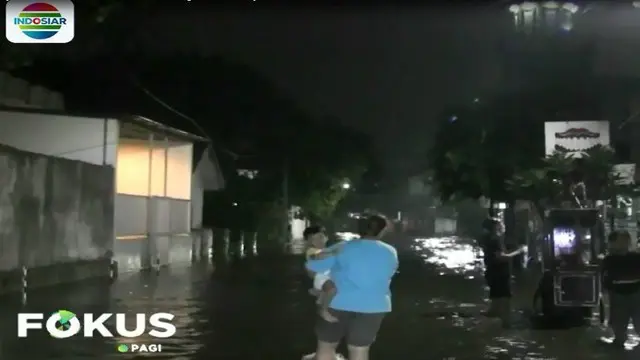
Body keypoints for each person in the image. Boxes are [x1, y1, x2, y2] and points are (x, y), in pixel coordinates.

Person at [305, 214, 398, 360]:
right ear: (382, 231)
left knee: (326, 348)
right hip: (373, 306)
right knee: (359, 351)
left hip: (337, 303)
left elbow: (312, 268)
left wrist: (322, 281)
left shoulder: (342, 247)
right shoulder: (390, 252)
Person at [480, 217, 525, 327]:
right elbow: (501, 257)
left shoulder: (487, 239)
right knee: (505, 297)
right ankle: (506, 322)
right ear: (495, 227)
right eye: (499, 224)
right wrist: (518, 252)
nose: (502, 226)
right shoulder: (494, 240)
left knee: (496, 294)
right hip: (500, 272)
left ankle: (494, 312)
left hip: (492, 271)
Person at [601, 230, 640, 348]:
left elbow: (606, 277)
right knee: (619, 319)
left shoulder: (635, 257)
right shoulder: (609, 259)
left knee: (635, 318)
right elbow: (605, 277)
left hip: (634, 293)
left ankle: (619, 340)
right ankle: (619, 339)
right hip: (619, 293)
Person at [304, 225, 340, 323]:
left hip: (327, 275)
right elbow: (318, 256)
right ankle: (324, 310)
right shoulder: (311, 251)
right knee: (332, 289)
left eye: (320, 237)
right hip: (321, 277)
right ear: (308, 242)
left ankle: (320, 296)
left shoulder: (327, 250)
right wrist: (334, 252)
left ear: (326, 238)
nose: (317, 241)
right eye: (313, 239)